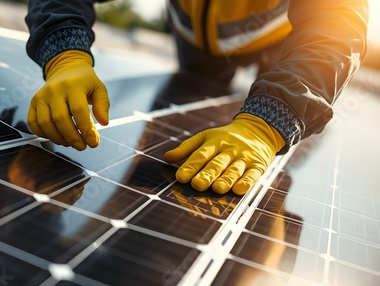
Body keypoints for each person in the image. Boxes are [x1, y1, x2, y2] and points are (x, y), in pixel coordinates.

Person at [24, 0, 368, 195]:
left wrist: (267, 124)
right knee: (188, 108)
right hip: (195, 39)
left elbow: (336, 25)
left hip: (284, 37)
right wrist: (65, 52)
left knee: (265, 163)